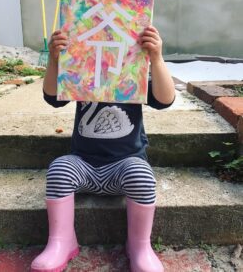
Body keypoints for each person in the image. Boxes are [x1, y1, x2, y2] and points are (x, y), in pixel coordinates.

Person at [31, 25, 175, 272]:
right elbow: (52, 97)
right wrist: (55, 60)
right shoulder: (80, 73)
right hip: (84, 164)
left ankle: (140, 246)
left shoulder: (133, 76)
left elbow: (165, 99)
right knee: (59, 168)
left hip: (124, 166)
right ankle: (62, 241)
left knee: (141, 175)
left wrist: (157, 58)